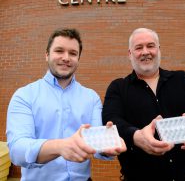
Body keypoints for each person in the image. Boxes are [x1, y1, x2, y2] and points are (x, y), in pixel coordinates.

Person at [6, 28, 126, 181]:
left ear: (78, 59)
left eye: (73, 53)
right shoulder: (24, 96)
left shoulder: (91, 97)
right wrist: (60, 147)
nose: (66, 58)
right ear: (47, 55)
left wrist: (107, 147)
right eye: (59, 51)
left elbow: (96, 145)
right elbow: (17, 150)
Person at [102, 28, 185, 181]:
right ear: (130, 54)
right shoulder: (118, 88)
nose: (145, 52)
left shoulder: (183, 80)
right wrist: (136, 136)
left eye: (150, 46)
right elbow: (111, 120)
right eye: (138, 47)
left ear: (158, 49)